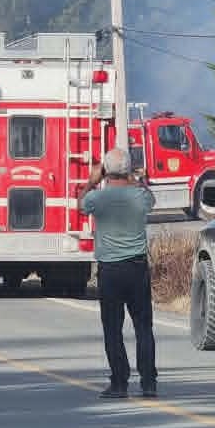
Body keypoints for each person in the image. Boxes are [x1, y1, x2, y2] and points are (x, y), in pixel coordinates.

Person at [79, 147, 157, 399]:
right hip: (137, 267)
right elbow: (150, 198)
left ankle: (119, 382)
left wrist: (92, 180)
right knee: (143, 326)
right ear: (128, 170)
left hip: (110, 270)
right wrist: (134, 177)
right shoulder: (139, 197)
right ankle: (148, 382)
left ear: (105, 171)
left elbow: (81, 204)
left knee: (113, 328)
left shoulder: (97, 199)